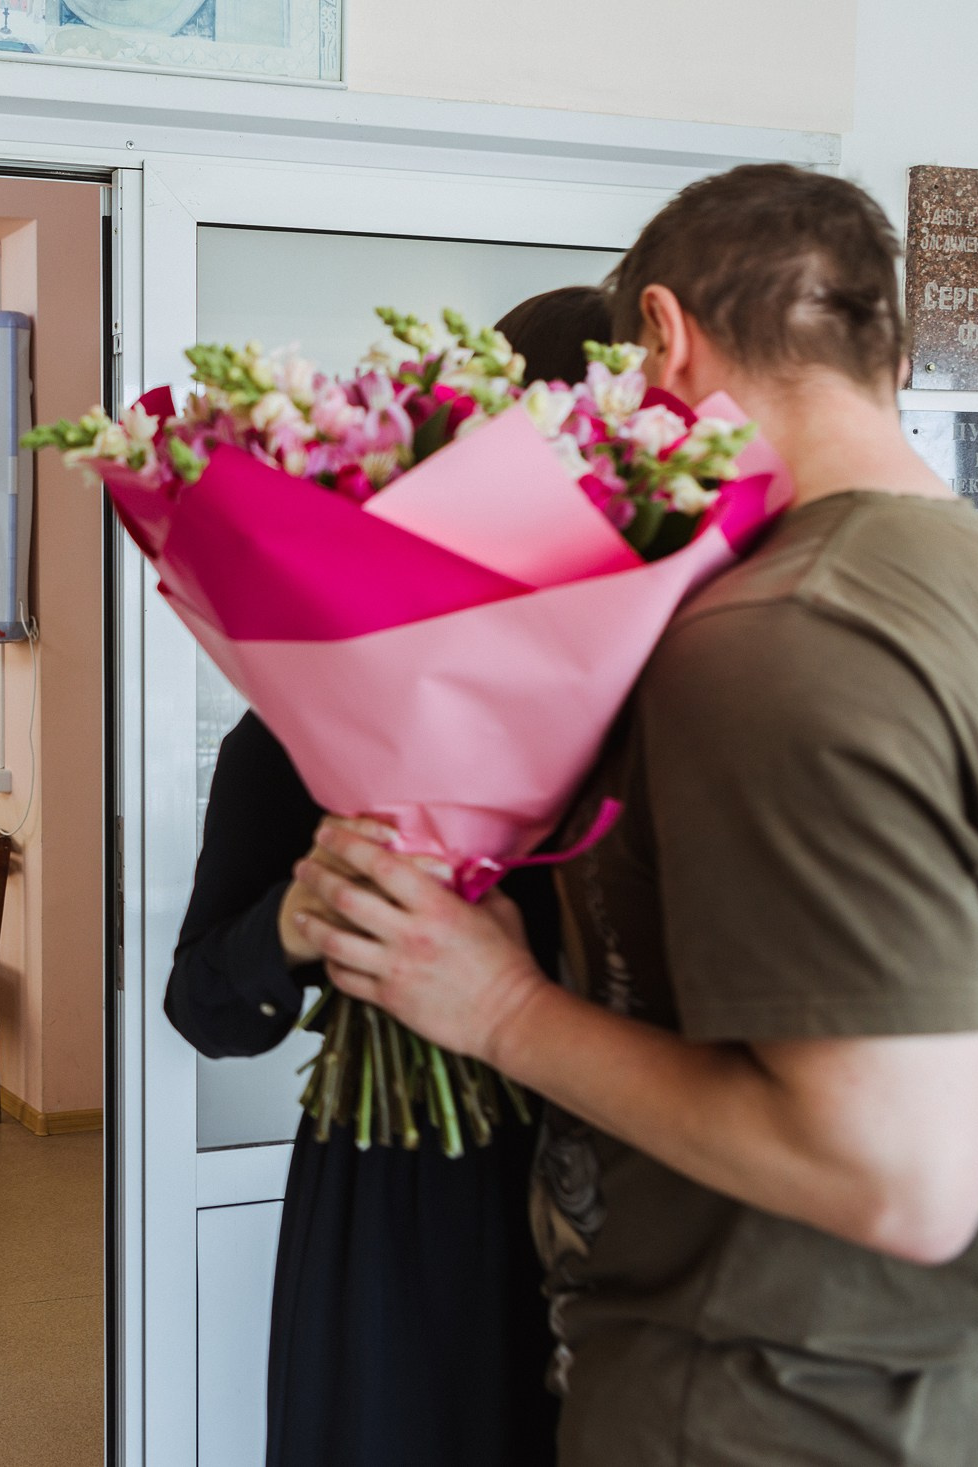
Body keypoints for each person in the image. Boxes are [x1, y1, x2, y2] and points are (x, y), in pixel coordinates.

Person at [293, 164, 978, 1465]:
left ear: (662, 333)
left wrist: (501, 1006)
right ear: (893, 347)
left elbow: (902, 1173)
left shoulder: (778, 635)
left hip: (781, 1406)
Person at [163, 285, 610, 1467]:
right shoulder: (306, 728)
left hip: (620, 1180)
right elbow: (207, 1008)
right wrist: (294, 922)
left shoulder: (669, 721)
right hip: (401, 1190)